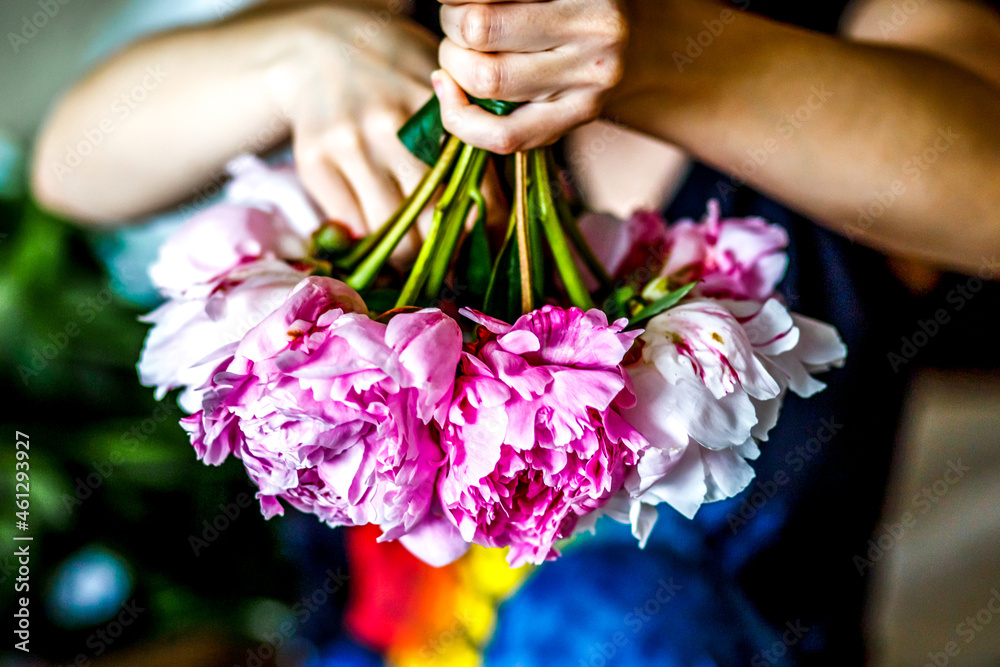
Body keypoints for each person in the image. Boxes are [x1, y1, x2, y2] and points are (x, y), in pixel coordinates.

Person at [30, 0, 1000, 663]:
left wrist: (652, 52)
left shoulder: (861, 54)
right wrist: (301, 54)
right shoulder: (401, 44)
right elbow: (74, 166)